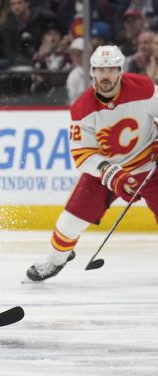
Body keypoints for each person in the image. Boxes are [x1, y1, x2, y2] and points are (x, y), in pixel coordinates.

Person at [25, 45, 158, 282]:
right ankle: (55, 261)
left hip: (149, 165)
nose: (105, 76)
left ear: (120, 70)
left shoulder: (145, 88)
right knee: (68, 223)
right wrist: (112, 174)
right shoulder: (82, 108)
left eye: (110, 70)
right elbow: (83, 154)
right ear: (92, 72)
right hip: (107, 173)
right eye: (99, 70)